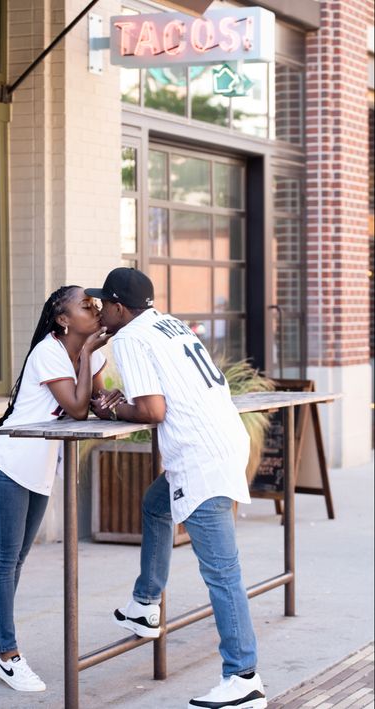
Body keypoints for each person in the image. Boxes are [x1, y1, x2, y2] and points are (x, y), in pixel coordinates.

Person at [86, 268, 267, 709]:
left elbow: (153, 409)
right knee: (155, 506)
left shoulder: (128, 338)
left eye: (103, 305)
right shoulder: (167, 324)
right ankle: (146, 604)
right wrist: (121, 403)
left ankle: (243, 677)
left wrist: (114, 413)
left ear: (119, 307)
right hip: (222, 444)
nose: (99, 313)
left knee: (222, 574)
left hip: (200, 460)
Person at [0, 286, 121, 692]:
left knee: (17, 559)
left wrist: (109, 399)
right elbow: (75, 408)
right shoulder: (49, 352)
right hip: (7, 463)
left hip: (36, 468)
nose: (95, 309)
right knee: (5, 560)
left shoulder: (92, 354)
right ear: (63, 319)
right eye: (85, 305)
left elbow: (92, 401)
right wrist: (89, 359)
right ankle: (7, 652)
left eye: (96, 304)